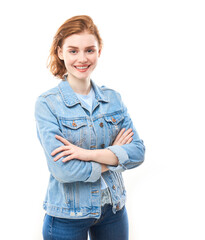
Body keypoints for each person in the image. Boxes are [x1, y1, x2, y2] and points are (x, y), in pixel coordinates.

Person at [35, 15, 145, 240]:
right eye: (73, 51)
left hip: (113, 210)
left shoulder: (113, 99)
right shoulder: (48, 104)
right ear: (60, 52)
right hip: (67, 216)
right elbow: (63, 170)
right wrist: (113, 158)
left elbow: (138, 152)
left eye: (89, 50)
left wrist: (86, 154)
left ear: (99, 51)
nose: (82, 58)